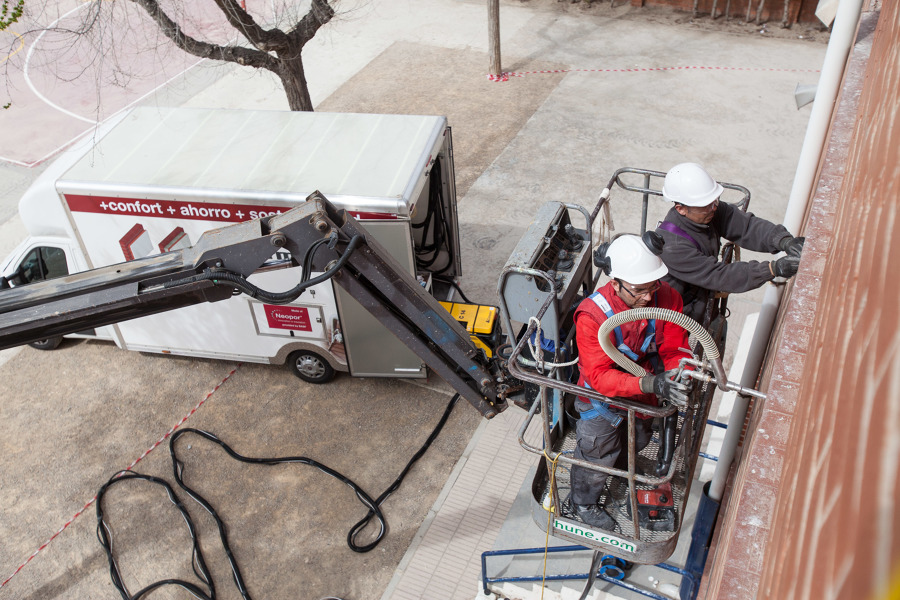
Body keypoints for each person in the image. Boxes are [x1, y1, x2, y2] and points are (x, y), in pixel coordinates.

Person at [569, 233, 692, 531]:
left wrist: (677, 375)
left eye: (653, 286)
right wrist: (651, 384)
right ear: (616, 283)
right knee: (597, 455)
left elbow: (675, 348)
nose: (648, 297)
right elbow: (599, 376)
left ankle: (623, 470)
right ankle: (583, 502)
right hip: (602, 401)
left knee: (638, 439)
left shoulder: (666, 298)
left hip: (643, 393)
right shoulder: (593, 316)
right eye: (639, 290)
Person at [655, 163, 805, 323]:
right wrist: (772, 269)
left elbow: (746, 227)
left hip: (701, 302)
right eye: (706, 205)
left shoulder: (708, 211)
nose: (714, 208)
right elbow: (719, 275)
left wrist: (784, 241)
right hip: (676, 320)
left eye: (715, 201)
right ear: (680, 208)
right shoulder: (672, 246)